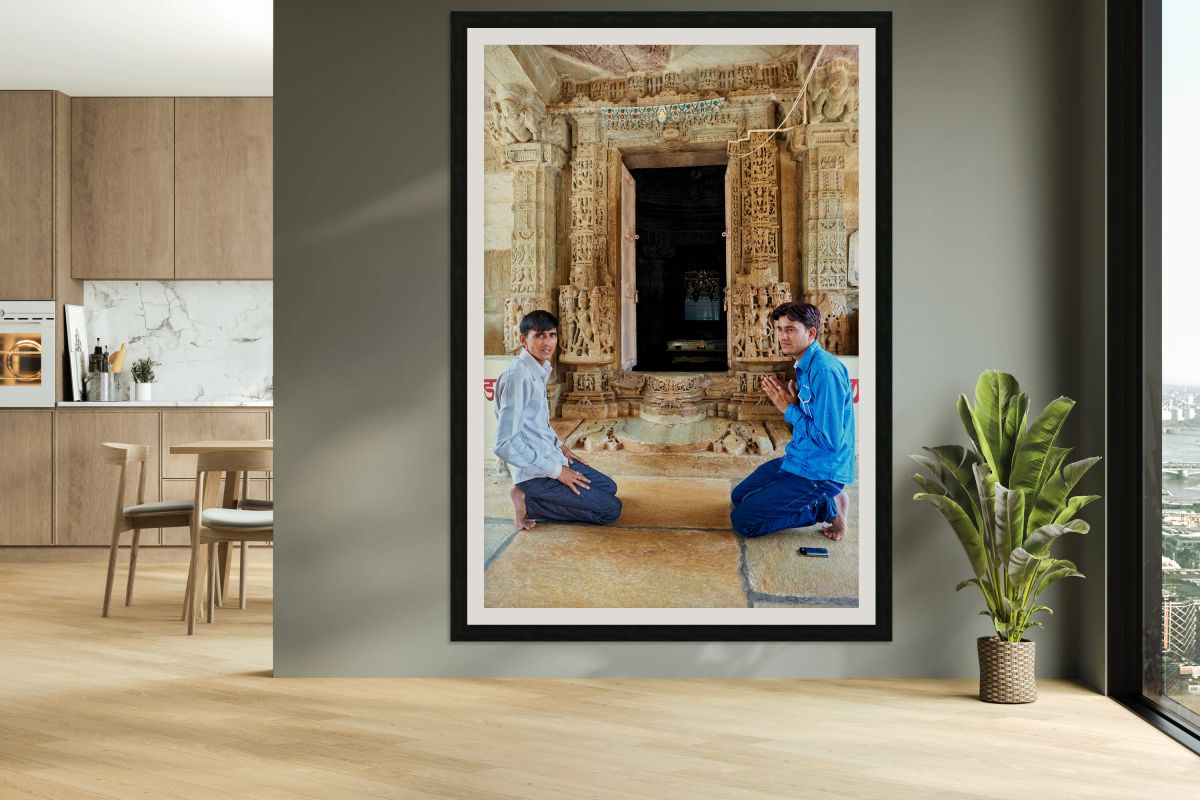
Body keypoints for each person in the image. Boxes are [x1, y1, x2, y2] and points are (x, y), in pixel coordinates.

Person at [730, 302, 855, 540]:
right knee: (739, 497)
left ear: (810, 333)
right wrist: (795, 406)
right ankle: (825, 499)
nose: (782, 336)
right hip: (799, 458)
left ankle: (827, 506)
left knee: (744, 522)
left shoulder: (825, 372)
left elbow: (830, 441)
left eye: (790, 330)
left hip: (820, 472)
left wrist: (789, 410)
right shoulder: (804, 365)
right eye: (779, 329)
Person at [493, 309, 622, 529]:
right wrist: (557, 471)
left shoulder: (537, 369)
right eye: (540, 335)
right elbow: (505, 444)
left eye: (552, 335)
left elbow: (537, 423)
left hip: (550, 456)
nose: (548, 342)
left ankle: (537, 493)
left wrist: (561, 447)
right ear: (523, 339)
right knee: (610, 510)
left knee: (609, 487)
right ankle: (529, 502)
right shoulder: (518, 376)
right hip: (534, 473)